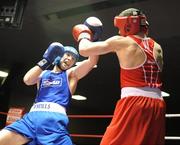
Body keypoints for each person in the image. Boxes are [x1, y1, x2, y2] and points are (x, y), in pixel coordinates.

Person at [72, 8, 166, 145]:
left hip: (135, 103)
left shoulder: (123, 42)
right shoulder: (157, 47)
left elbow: (84, 50)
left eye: (120, 27)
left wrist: (84, 34)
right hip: (158, 105)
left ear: (128, 25)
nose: (119, 31)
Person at [0, 42, 99, 145]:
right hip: (32, 120)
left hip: (55, 124)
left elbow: (92, 61)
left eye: (73, 59)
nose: (70, 59)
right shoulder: (43, 74)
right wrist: (46, 60)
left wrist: (93, 40)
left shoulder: (71, 75)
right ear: (58, 55)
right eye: (68, 54)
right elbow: (27, 80)